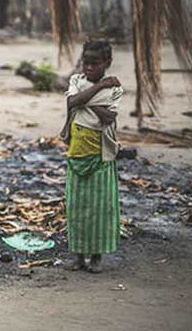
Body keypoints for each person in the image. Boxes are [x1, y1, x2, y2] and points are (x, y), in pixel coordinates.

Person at [60, 40, 123, 274]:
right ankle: (78, 257)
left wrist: (85, 101)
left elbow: (108, 118)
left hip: (101, 158)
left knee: (99, 210)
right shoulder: (77, 81)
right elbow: (72, 102)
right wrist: (98, 89)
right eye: (85, 63)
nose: (88, 67)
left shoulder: (115, 90)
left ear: (107, 63)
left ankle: (96, 258)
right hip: (77, 154)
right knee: (76, 208)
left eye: (94, 63)